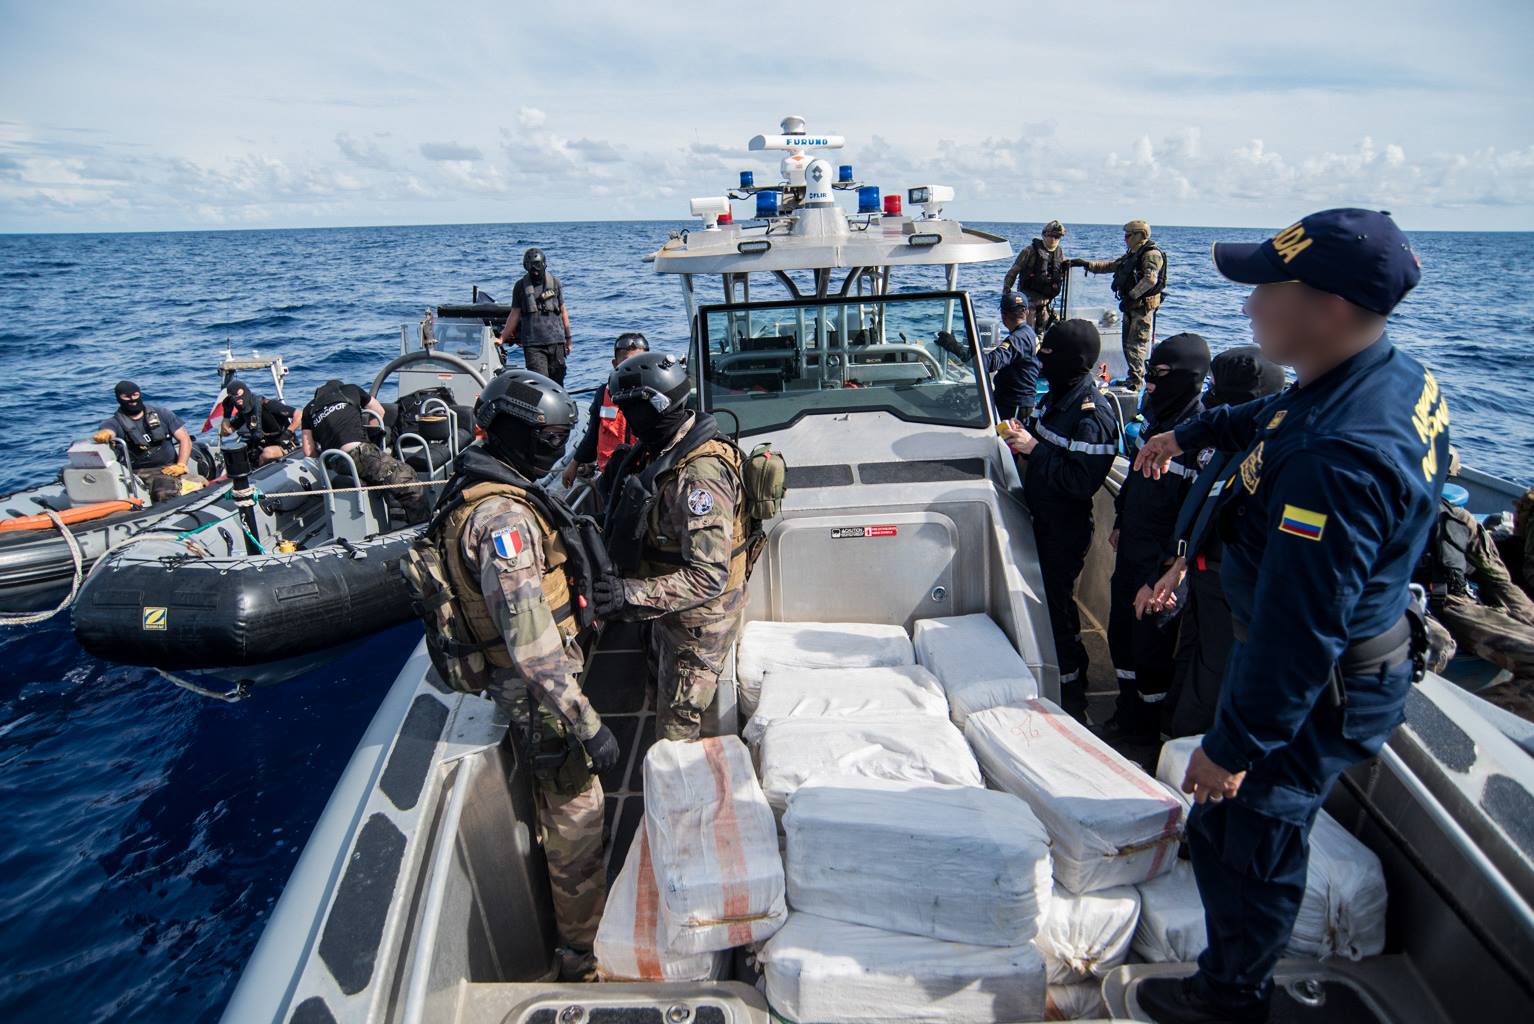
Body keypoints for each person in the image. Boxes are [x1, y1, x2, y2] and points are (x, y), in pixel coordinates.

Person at [1130, 209, 1447, 1024]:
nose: (1248, 308)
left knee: (1251, 844)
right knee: (1241, 831)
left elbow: (1299, 633)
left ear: (1330, 307)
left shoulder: (1337, 461)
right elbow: (1264, 420)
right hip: (1327, 656)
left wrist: (1231, 750)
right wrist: (1181, 432)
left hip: (1322, 681)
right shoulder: (1375, 376)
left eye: (1266, 291)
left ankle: (1229, 999)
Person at [413, 369, 615, 981]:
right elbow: (533, 647)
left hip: (526, 689)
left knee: (562, 805)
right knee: (577, 819)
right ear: (515, 433)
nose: (557, 448)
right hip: (541, 697)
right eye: (550, 438)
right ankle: (586, 957)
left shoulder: (475, 487)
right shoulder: (504, 521)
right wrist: (589, 726)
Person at [593, 352, 750, 741]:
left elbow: (708, 577)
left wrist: (627, 593)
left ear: (655, 409)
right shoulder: (662, 449)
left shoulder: (700, 477)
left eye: (632, 411)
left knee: (676, 733)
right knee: (658, 692)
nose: (628, 420)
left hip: (697, 622)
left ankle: (685, 797)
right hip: (666, 610)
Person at [1139, 346, 1288, 739]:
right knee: (1188, 663)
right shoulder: (1228, 446)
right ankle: (1167, 740)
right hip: (1202, 579)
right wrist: (1179, 565)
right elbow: (1206, 509)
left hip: (1235, 590)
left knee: (1212, 681)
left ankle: (1185, 754)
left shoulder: (1273, 456)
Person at [1004, 319, 1121, 721]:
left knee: (1057, 615)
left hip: (1063, 529)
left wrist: (1033, 449)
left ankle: (1071, 702)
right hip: (1038, 517)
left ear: (1073, 361)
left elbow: (1079, 481)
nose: (1041, 360)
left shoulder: (1094, 414)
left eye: (1049, 354)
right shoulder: (1058, 397)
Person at [1099, 332, 1211, 745]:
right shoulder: (1160, 426)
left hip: (1160, 571)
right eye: (1149, 373)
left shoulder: (1197, 438)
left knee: (1151, 656)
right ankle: (1125, 716)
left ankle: (1145, 737)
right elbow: (1135, 477)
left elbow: (1194, 514)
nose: (1148, 383)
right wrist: (1121, 521)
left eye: (1160, 374)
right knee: (1122, 641)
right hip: (1131, 554)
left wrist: (1165, 572)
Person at [1418, 497, 1534, 722]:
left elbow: (1500, 582)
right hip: (1401, 598)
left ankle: (1461, 723)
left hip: (1455, 602)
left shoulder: (1457, 519)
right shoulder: (1375, 508)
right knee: (1435, 646)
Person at [299, 379, 431, 525]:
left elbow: (308, 450)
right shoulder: (350, 389)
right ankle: (423, 530)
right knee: (409, 481)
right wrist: (371, 436)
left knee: (380, 474)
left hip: (337, 462)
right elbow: (379, 410)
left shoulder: (308, 408)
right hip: (360, 454)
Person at [1070, 220, 1166, 390]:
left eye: (1128, 235)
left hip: (1141, 308)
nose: (1125, 239)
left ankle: (1136, 383)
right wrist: (1087, 264)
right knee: (1128, 344)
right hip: (1131, 307)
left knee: (1136, 345)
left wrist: (1132, 296)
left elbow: (1151, 279)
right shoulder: (1133, 254)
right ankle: (1133, 378)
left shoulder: (1151, 254)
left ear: (1140, 235)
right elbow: (1112, 265)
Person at [561, 332, 650, 487]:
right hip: (611, 475)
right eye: (628, 362)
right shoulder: (603, 393)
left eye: (640, 361)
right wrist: (574, 463)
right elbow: (593, 433)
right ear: (615, 364)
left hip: (645, 474)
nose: (635, 367)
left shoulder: (657, 394)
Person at [92, 379, 197, 502]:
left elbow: (185, 439)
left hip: (169, 468)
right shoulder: (114, 422)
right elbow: (110, 430)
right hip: (136, 472)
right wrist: (106, 434)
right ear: (119, 398)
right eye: (126, 397)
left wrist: (181, 465)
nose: (132, 399)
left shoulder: (162, 414)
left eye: (135, 395)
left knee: (163, 492)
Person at [500, 247, 573, 384]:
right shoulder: (520, 286)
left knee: (558, 383)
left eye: (538, 266)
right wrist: (502, 338)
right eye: (530, 266)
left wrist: (568, 339)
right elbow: (514, 314)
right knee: (541, 383)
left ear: (544, 264)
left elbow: (563, 310)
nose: (535, 270)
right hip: (534, 345)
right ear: (525, 267)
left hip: (556, 342)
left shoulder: (555, 283)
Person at [1003, 219, 1068, 334]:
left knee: (1045, 334)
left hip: (1046, 303)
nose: (1053, 239)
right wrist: (1006, 292)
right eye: (1051, 236)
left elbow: (1063, 272)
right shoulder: (1029, 251)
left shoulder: (1060, 254)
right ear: (1044, 235)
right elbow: (1013, 272)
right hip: (1029, 301)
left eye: (1057, 237)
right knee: (1027, 333)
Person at [220, 378, 300, 465]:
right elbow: (226, 432)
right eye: (233, 397)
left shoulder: (267, 404)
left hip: (284, 445)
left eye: (238, 394)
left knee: (267, 453)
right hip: (262, 445)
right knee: (236, 454)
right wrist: (226, 414)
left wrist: (288, 433)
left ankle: (255, 475)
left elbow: (299, 414)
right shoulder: (244, 413)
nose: (237, 399)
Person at [991, 293, 1042, 422]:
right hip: (1019, 402)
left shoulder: (1017, 339)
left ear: (1004, 315)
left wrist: (958, 350)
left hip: (1015, 405)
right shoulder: (1028, 332)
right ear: (1027, 312)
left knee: (1009, 441)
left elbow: (991, 362)